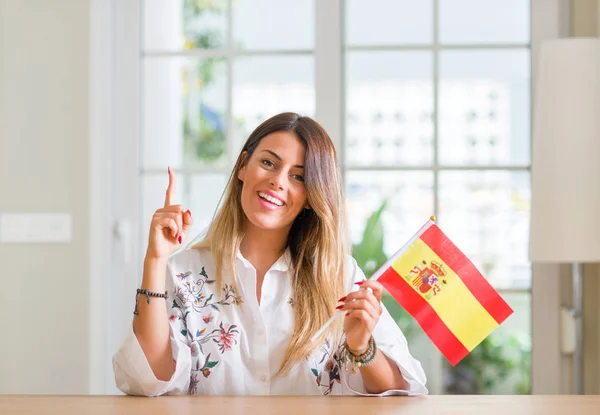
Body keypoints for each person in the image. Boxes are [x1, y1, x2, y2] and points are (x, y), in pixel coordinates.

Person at [112, 112, 427, 396]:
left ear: (310, 197)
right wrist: (155, 260)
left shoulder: (340, 276)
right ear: (242, 166)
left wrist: (362, 347)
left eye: (298, 176)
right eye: (269, 163)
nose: (278, 181)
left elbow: (399, 393)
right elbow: (148, 380)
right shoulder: (183, 270)